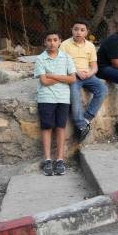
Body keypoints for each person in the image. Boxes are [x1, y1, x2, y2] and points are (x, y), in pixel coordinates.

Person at [34, 30, 76, 176]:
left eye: (55, 40)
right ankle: (47, 159)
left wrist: (52, 75)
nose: (52, 43)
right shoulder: (40, 59)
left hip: (63, 98)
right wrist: (62, 77)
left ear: (60, 41)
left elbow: (72, 79)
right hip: (46, 98)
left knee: (60, 127)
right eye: (49, 40)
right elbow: (44, 82)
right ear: (45, 42)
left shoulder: (66, 58)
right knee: (46, 127)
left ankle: (59, 160)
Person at [60, 19, 107, 142]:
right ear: (72, 30)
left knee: (102, 89)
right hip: (72, 75)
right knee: (75, 96)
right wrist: (76, 72)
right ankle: (80, 125)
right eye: (76, 29)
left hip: (88, 75)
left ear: (87, 32)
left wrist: (89, 73)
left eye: (82, 30)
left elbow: (94, 66)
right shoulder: (65, 44)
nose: (78, 32)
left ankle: (86, 118)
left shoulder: (90, 46)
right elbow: (61, 64)